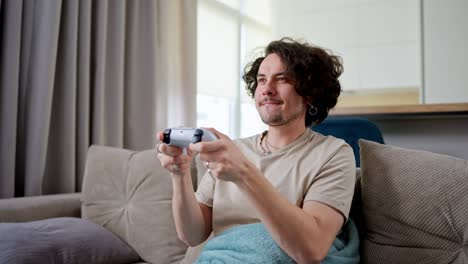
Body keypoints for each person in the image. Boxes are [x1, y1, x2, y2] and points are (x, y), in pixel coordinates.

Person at [155, 37, 356, 263]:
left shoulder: (333, 154)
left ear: (309, 93)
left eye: (282, 80)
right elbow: (192, 235)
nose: (267, 89)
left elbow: (311, 250)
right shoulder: (234, 150)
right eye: (261, 80)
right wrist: (179, 174)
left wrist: (243, 173)